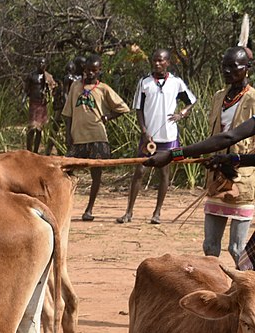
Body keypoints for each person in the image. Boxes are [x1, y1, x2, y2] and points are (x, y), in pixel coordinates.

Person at [149, 46, 255, 265]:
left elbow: (228, 138)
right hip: (217, 177)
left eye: (233, 66)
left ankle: (245, 295)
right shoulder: (218, 97)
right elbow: (215, 138)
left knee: (238, 250)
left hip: (242, 180)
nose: (227, 71)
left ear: (248, 69)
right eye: (224, 66)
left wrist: (173, 154)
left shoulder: (253, 99)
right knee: (209, 247)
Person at [116, 49, 196, 225]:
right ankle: (129, 212)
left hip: (168, 136)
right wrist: (144, 132)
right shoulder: (145, 83)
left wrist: (181, 114)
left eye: (161, 60)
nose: (157, 63)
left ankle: (157, 212)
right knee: (139, 172)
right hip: (149, 137)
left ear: (168, 62)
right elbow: (138, 108)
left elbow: (191, 101)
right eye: (155, 60)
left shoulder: (176, 83)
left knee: (164, 173)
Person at [61, 54, 129, 221]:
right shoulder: (75, 86)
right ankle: (64, 206)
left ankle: (89, 209)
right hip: (78, 137)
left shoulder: (103, 88)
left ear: (99, 71)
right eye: (87, 70)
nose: (90, 73)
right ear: (83, 70)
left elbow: (123, 108)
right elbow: (68, 113)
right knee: (64, 171)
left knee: (96, 174)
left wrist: (108, 116)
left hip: (97, 136)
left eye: (94, 70)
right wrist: (68, 133)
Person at [23, 59, 56, 153]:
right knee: (31, 128)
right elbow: (26, 90)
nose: (41, 65)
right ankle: (28, 150)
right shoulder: (32, 76)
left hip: (43, 104)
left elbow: (53, 89)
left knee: (39, 129)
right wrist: (23, 99)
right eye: (40, 63)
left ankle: (36, 151)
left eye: (43, 63)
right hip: (33, 103)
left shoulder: (48, 77)